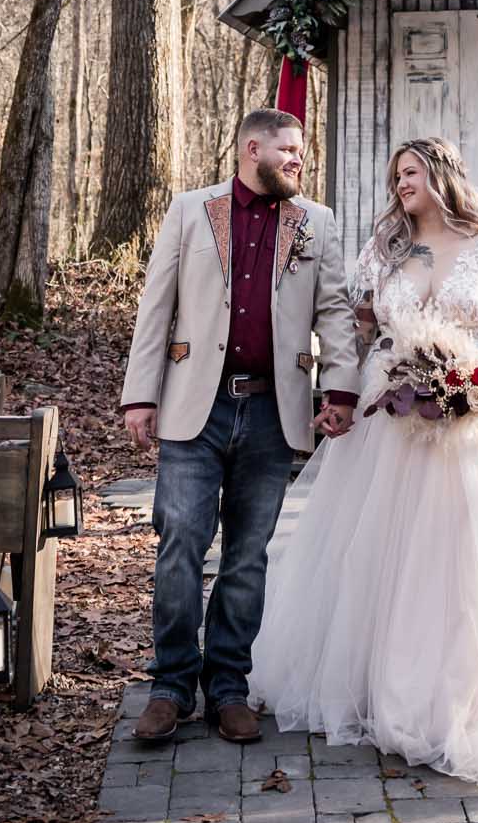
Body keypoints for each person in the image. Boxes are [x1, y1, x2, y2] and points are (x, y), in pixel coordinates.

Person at [250, 135, 478, 782]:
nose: (401, 184)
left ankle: (460, 696)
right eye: (396, 175)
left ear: (441, 175)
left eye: (410, 172)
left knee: (466, 557)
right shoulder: (385, 247)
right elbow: (351, 317)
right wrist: (346, 378)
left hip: (474, 421)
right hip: (389, 415)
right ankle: (381, 686)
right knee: (382, 552)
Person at [120, 108, 359, 744]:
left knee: (247, 557)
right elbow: (157, 305)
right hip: (193, 409)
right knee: (179, 546)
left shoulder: (317, 223)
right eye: (289, 151)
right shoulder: (191, 210)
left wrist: (340, 390)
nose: (299, 162)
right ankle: (170, 686)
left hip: (273, 412)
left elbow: (334, 310)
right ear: (252, 149)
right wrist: (139, 397)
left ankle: (228, 686)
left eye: (302, 153)